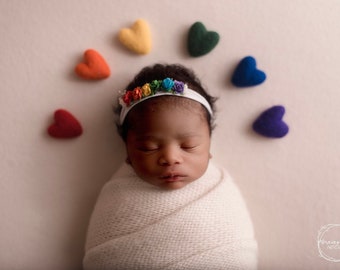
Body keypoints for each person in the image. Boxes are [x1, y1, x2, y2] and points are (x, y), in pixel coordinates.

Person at [83, 64, 258, 269]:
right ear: (128, 152)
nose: (170, 158)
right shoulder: (116, 198)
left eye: (188, 146)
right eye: (149, 148)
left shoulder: (221, 193)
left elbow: (237, 252)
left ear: (209, 145)